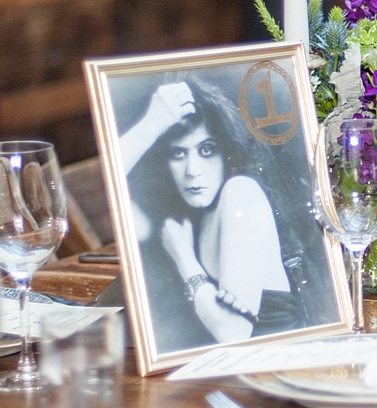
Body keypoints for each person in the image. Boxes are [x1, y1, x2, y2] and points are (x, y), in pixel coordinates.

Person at [120, 76, 290, 350]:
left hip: (277, 371)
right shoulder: (182, 220)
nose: (193, 171)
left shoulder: (240, 194)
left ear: (227, 153)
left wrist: (185, 259)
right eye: (178, 154)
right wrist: (148, 128)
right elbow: (107, 183)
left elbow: (233, 331)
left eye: (207, 150)